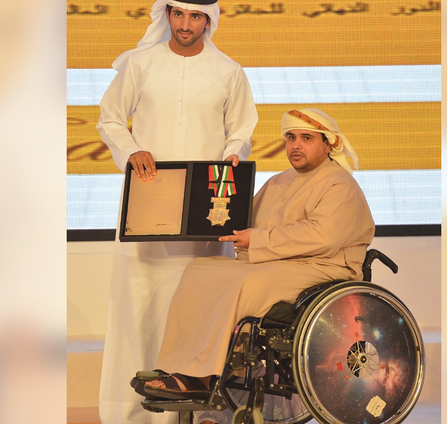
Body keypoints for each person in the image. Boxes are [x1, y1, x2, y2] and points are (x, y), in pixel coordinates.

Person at [95, 0, 258, 424]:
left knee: (196, 309)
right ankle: (131, 414)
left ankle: (191, 413)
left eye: (195, 16)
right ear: (166, 15)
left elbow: (242, 130)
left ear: (209, 20)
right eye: (178, 14)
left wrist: (232, 155)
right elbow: (110, 119)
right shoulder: (140, 64)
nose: (186, 24)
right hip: (149, 201)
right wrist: (132, 151)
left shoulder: (229, 71)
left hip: (205, 209)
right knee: (140, 307)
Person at [139, 108, 374, 401]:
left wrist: (258, 239)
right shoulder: (279, 181)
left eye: (306, 138)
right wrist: (201, 211)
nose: (296, 145)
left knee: (245, 283)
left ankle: (201, 376)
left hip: (324, 268)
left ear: (328, 145)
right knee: (199, 271)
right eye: (290, 137)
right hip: (279, 264)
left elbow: (322, 237)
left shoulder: (339, 184)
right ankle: (177, 366)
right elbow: (244, 218)